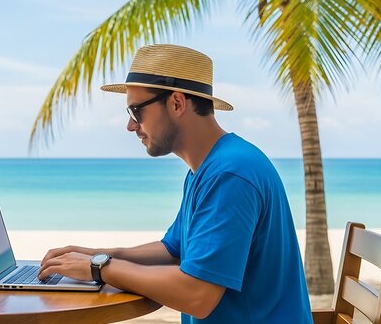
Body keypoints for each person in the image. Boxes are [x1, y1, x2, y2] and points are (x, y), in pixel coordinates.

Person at [38, 44, 313, 323]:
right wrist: (98, 255)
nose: (130, 126)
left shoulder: (230, 174)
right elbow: (173, 251)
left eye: (136, 111)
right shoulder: (209, 167)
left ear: (177, 103)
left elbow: (197, 295)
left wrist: (101, 269)